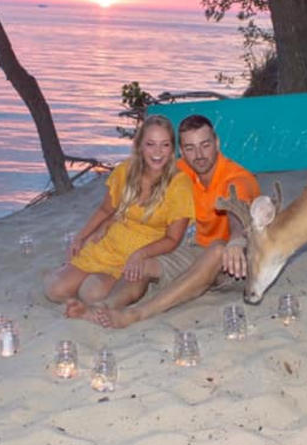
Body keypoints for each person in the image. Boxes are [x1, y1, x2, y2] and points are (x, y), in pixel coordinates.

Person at [66, 114, 260, 328]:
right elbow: (138, 193)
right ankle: (106, 306)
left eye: (205, 145)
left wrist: (235, 241)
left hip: (235, 263)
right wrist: (108, 221)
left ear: (217, 143)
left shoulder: (237, 179)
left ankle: (137, 314)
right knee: (144, 263)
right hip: (195, 248)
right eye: (190, 148)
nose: (199, 155)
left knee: (217, 249)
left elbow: (238, 215)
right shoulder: (183, 170)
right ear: (181, 151)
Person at [43, 114, 195, 310]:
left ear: (172, 148)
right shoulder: (125, 170)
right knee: (54, 289)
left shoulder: (179, 183)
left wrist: (141, 254)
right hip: (111, 243)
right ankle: (75, 274)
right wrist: (81, 237)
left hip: (142, 252)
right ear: (140, 145)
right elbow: (106, 209)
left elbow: (173, 240)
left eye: (165, 145)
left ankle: (134, 286)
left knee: (91, 294)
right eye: (151, 144)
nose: (158, 152)